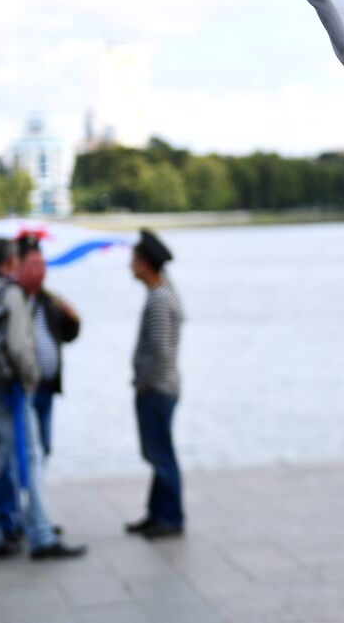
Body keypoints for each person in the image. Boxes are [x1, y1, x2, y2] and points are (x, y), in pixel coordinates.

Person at [0, 238, 86, 561]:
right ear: (11, 260)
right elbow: (19, 346)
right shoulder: (10, 294)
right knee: (31, 457)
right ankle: (40, 535)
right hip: (9, 391)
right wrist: (29, 380)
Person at [0, 234, 81, 542]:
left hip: (46, 389)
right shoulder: (14, 299)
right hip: (23, 389)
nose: (41, 270)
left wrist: (72, 318)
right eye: (34, 264)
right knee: (14, 456)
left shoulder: (47, 299)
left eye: (44, 263)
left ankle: (35, 513)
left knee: (40, 452)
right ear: (17, 266)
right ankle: (10, 518)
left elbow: (69, 334)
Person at [125, 229, 186, 538]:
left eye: (133, 260)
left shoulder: (160, 299)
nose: (129, 266)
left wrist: (143, 381)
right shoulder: (164, 292)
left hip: (157, 389)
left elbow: (160, 350)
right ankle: (157, 512)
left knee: (161, 455)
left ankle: (171, 517)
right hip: (162, 386)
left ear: (145, 263)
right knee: (158, 453)